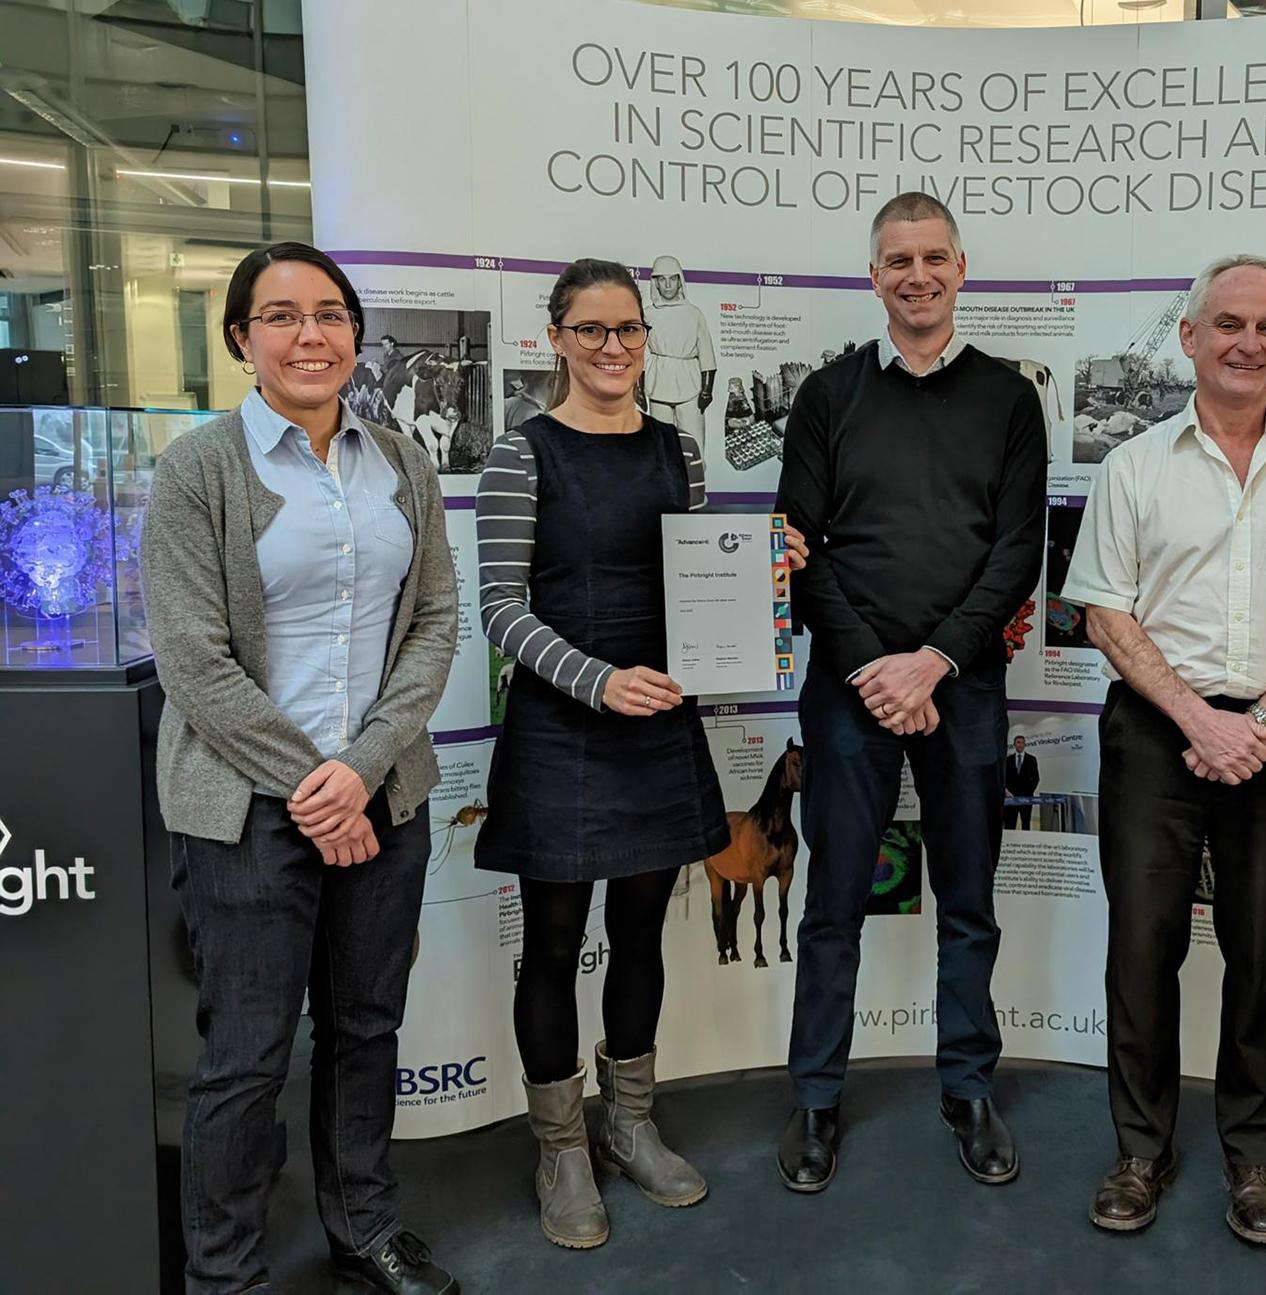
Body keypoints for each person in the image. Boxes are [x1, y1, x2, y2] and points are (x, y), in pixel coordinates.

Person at [142, 241, 460, 1295]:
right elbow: (192, 657)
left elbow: (436, 625)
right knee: (246, 1052)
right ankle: (224, 1271)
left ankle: (363, 1227)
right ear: (242, 340)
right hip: (246, 807)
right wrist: (317, 787)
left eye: (329, 313)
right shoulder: (200, 469)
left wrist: (361, 769)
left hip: (382, 796)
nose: (309, 334)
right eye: (280, 316)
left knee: (367, 1026)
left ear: (357, 336)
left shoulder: (403, 462)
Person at [473, 258, 807, 1250]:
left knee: (640, 934)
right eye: (591, 330)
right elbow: (500, 608)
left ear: (646, 337)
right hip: (562, 725)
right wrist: (596, 679)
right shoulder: (518, 453)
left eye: (627, 330)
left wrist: (763, 577)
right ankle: (561, 1147)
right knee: (552, 942)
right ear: (557, 338)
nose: (614, 346)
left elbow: (689, 591)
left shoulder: (680, 450)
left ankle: (630, 1122)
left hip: (658, 720)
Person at [1062, 254, 1266, 1245]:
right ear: (1192, 337)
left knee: (1262, 951)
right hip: (1159, 734)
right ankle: (1140, 1148)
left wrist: (1259, 721)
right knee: (1142, 946)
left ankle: (1253, 1156)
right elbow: (1104, 611)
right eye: (1231, 324)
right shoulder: (1133, 465)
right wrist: (1200, 721)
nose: (1251, 342)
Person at [774, 191, 1046, 1193]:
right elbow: (796, 548)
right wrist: (875, 669)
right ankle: (813, 1095)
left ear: (962, 269)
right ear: (874, 275)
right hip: (849, 689)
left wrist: (932, 662)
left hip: (963, 686)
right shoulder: (826, 395)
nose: (918, 274)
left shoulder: (1010, 399)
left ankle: (969, 1086)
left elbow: (1018, 549)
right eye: (899, 259)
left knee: (968, 898)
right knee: (833, 898)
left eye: (935, 257)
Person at [642, 254, 716, 457]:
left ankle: (697, 487)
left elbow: (706, 353)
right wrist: (638, 388)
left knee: (694, 443)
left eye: (672, 279)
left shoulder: (694, 314)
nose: (667, 285)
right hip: (658, 383)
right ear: (655, 282)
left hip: (690, 384)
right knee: (660, 444)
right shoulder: (647, 315)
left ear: (679, 281)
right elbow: (639, 353)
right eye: (662, 279)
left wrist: (707, 389)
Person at [1003, 735, 1041, 829]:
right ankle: (1010, 842)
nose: (1020, 745)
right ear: (1014, 745)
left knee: (1026, 823)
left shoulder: (1032, 759)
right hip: (1011, 798)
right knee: (1010, 823)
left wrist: (1029, 792)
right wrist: (1007, 792)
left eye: (1022, 743)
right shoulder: (1008, 760)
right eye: (1018, 742)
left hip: (1026, 797)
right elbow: (1004, 778)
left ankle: (1025, 842)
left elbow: (1036, 778)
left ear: (1025, 745)